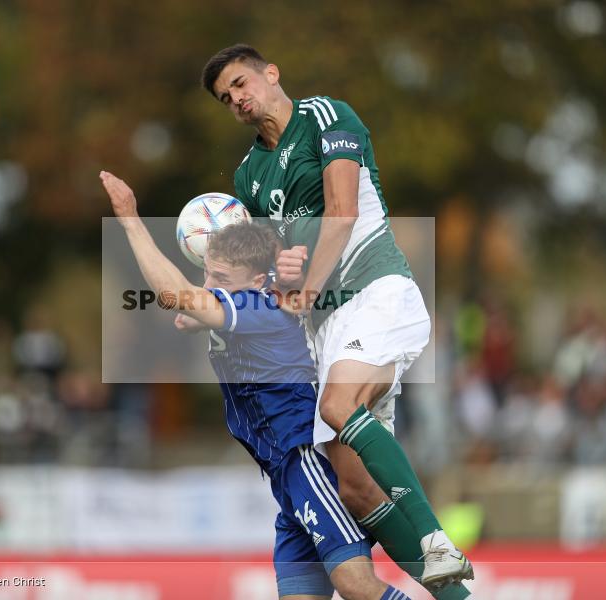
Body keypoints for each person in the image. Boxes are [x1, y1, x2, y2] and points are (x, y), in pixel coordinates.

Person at [201, 44, 473, 594]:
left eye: (240, 83)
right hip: (330, 334)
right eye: (225, 97)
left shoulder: (326, 116)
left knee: (337, 405)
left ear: (271, 73)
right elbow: (272, 265)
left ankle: (434, 539)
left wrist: (306, 287)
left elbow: (343, 210)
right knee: (354, 488)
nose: (236, 99)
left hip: (376, 293)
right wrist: (236, 292)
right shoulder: (248, 178)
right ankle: (457, 595)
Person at [101, 171, 414, 600]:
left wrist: (131, 221)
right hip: (285, 476)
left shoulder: (259, 309)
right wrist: (199, 314)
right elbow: (192, 308)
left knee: (356, 584)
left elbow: (178, 296)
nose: (211, 288)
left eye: (222, 281)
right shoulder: (246, 300)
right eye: (208, 275)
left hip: (309, 463)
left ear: (256, 282)